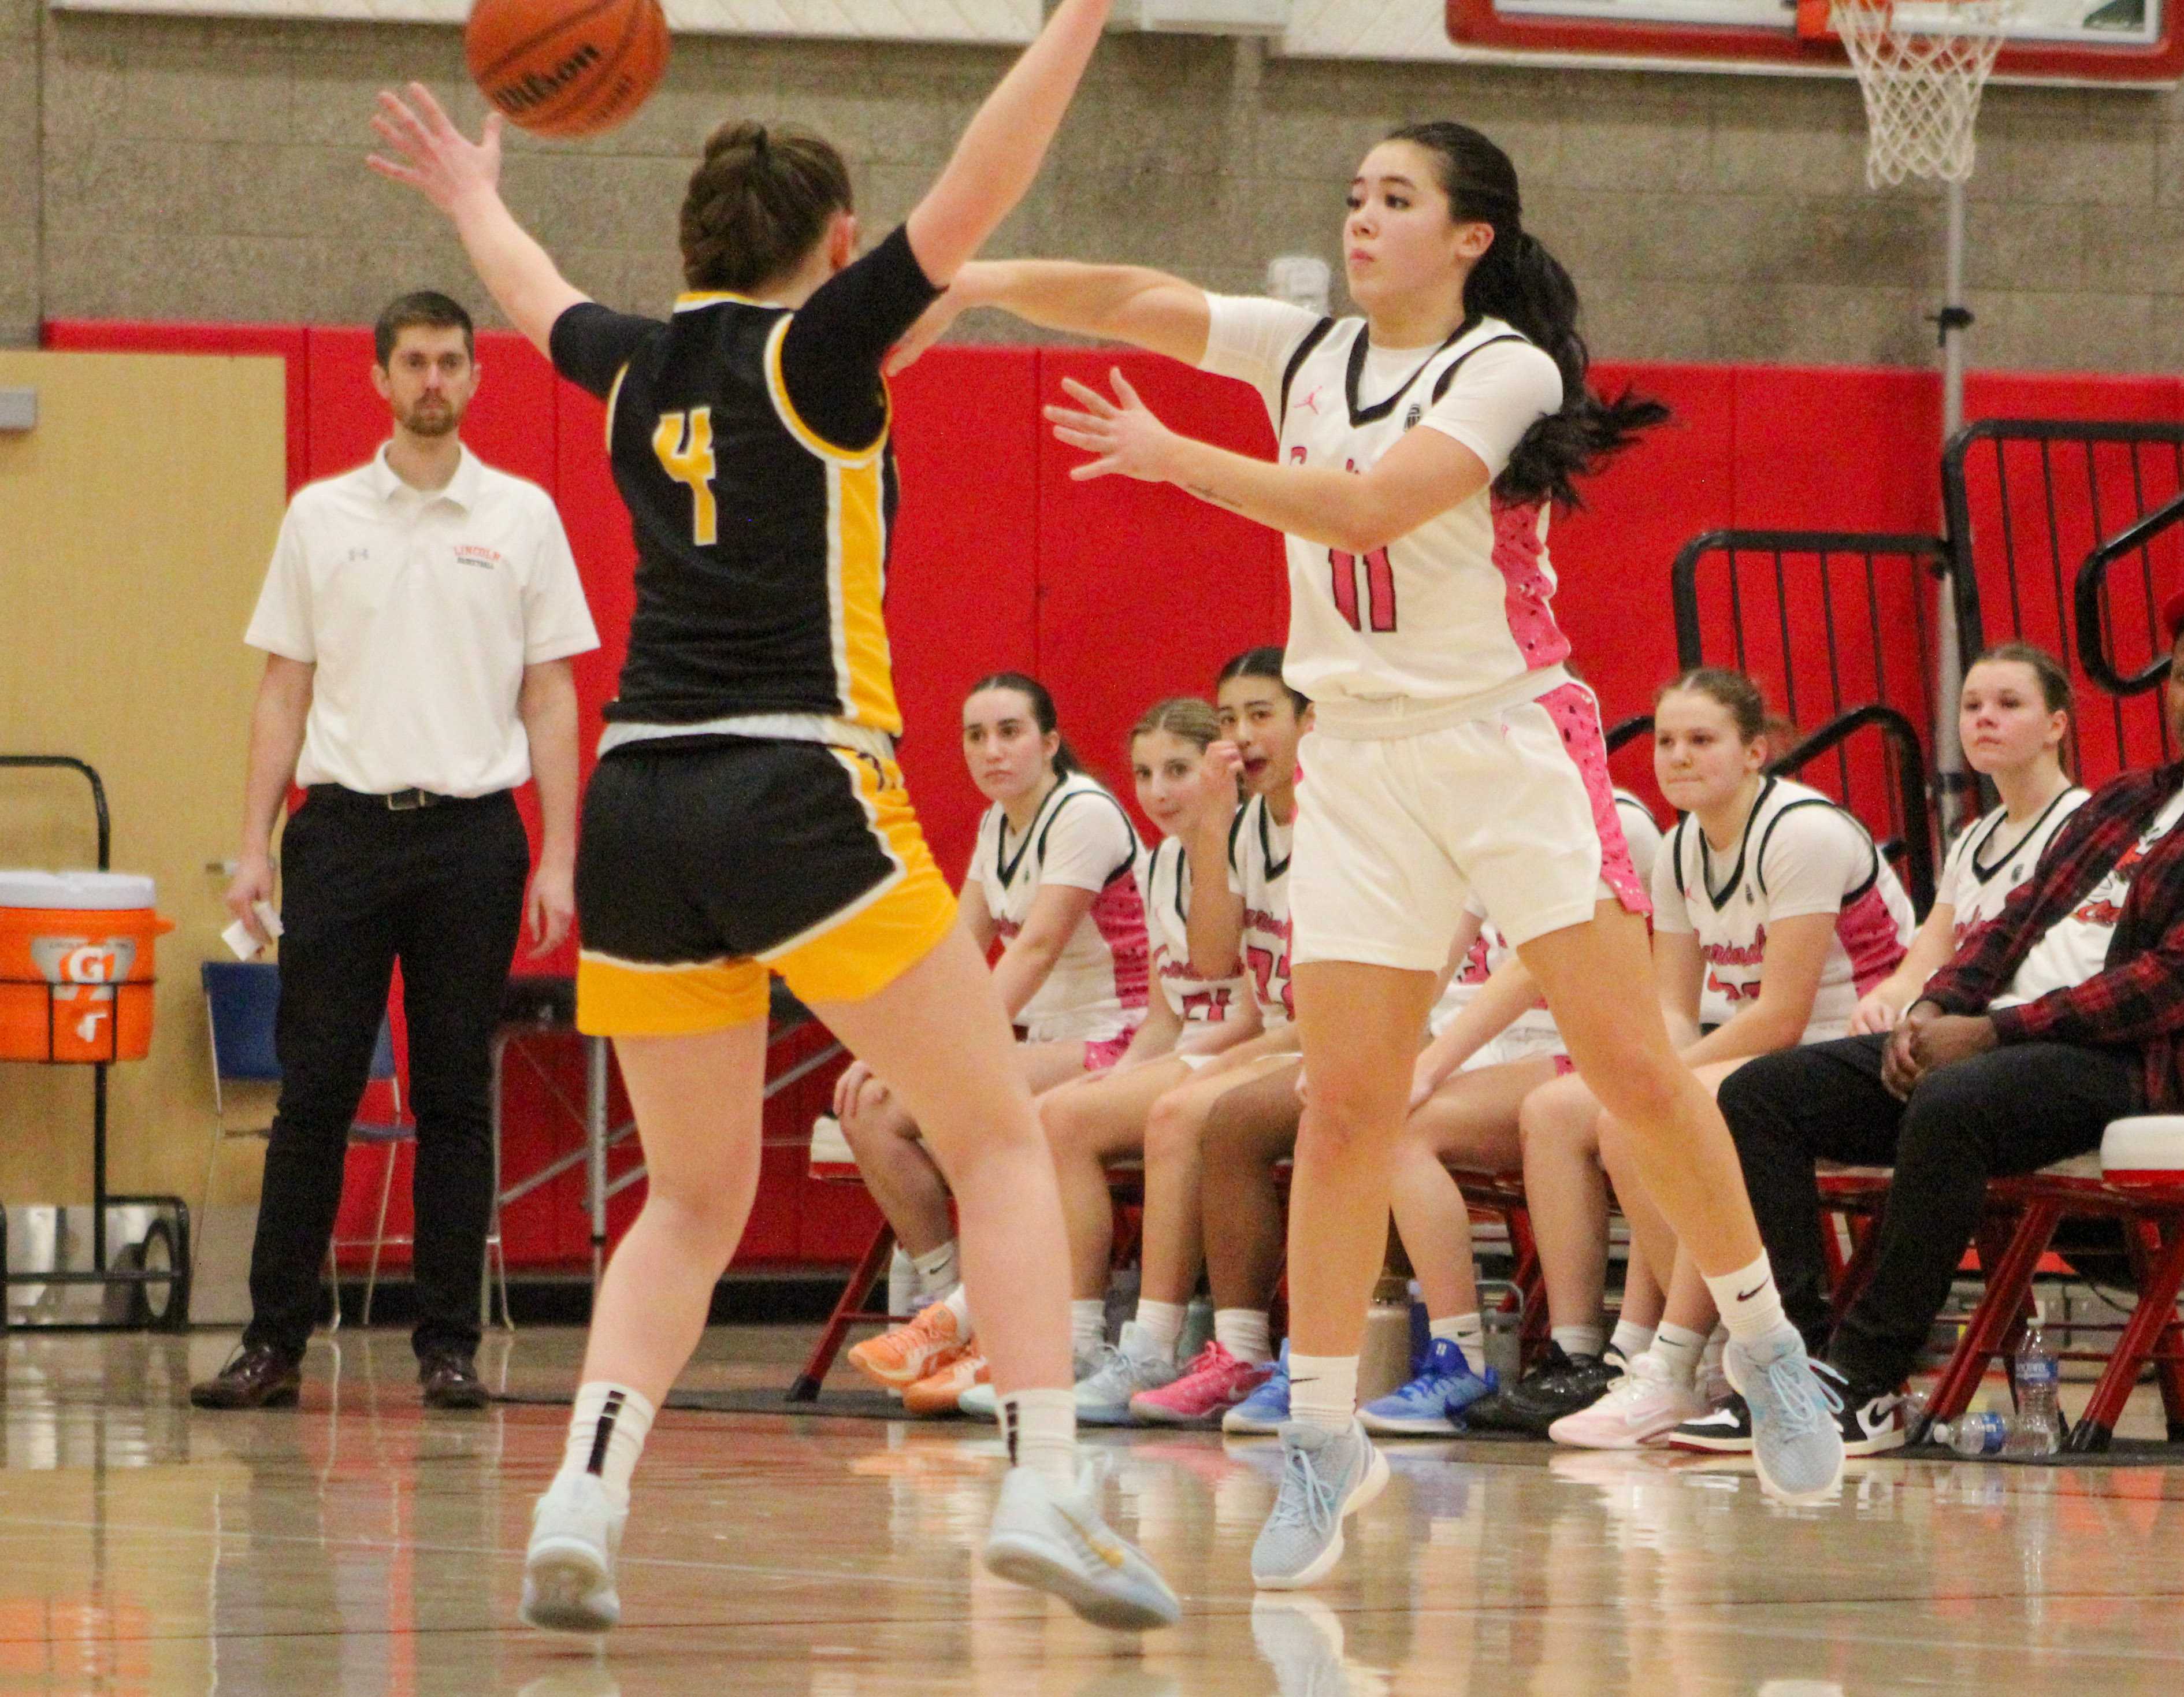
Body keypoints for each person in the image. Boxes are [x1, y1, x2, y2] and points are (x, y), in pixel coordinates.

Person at [901, 121, 1854, 1579]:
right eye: (1354, 196)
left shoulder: (1501, 367)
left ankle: (1770, 1342)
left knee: (1634, 1068)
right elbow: (1140, 298)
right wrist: (967, 277)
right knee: (1347, 1108)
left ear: (1470, 235)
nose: (1362, 218)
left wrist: (1174, 460)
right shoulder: (1305, 351)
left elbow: (1371, 505)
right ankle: (1322, 1441)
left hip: (1504, 740)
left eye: (1396, 200)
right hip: (1359, 760)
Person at [365, 0, 1179, 1635]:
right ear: (837, 241)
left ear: (689, 244)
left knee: (688, 1197)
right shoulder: (822, 352)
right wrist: (1079, 15)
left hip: (639, 798)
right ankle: (1042, 1484)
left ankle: (581, 1502)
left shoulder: (630, 364)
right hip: (795, 778)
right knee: (1002, 1138)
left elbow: (533, 296)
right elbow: (983, 177)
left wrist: (469, 196)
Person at [191, 291, 597, 1416]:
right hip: (343, 831)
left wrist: (558, 853)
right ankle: (274, 1341)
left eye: (450, 362)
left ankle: (449, 1347)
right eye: (413, 361)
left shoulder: (521, 517)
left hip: (473, 834)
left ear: (475, 377)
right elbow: (284, 688)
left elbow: (552, 692)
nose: (432, 379)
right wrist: (251, 844)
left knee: (457, 1090)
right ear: (379, 376)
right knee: (315, 1088)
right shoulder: (323, 518)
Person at [1692, 626, 2167, 1458]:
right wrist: (1934, 1005)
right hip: (1993, 1039)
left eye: (2008, 702)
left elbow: (2162, 985)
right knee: (1761, 1094)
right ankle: (1789, 1362)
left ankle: (1865, 1378)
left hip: (2120, 1063)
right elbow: (2010, 925)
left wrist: (1989, 1030)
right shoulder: (2129, 801)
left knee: (1953, 1101)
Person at [1524, 669, 1914, 1450]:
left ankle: (1670, 1358)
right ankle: (1615, 1352)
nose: (1678, 755)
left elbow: (1782, 1014)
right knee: (1560, 1109)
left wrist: (1661, 1083)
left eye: (1702, 740)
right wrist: (1649, 1073)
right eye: (1666, 740)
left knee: (1658, 1112)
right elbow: (1671, 1005)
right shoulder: (1677, 850)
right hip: (1762, 1061)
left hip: (1854, 1056)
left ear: (1755, 752)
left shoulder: (1802, 832)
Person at [839, 672, 1149, 1413]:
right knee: (871, 1109)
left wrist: (939, 1056)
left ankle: (982, 1317)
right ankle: (952, 1305)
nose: (991, 749)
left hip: (1125, 1037)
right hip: (1047, 1042)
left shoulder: (1082, 812)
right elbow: (957, 948)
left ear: (1048, 742)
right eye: (975, 735)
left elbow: (1035, 948)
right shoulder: (996, 825)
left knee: (954, 1093)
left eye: (1009, 732)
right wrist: (890, 1044)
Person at [955, 693, 1263, 1423]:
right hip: (1186, 1048)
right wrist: (1119, 1076)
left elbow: (1254, 1008)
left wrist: (1160, 1072)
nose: (1158, 791)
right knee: (1062, 1112)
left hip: (1247, 1050)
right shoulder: (1160, 868)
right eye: (1146, 773)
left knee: (1123, 1115)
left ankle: (1139, 1342)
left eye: (1179, 771)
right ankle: (1073, 1340)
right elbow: (1164, 1018)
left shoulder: (1253, 851)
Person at [1358, 787, 1663, 1438]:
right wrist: (1370, 1051)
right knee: (1388, 1123)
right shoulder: (1496, 817)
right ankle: (1468, 1356)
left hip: (1596, 1047)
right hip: (1519, 1056)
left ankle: (1541, 1353)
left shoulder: (1615, 824)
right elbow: (1436, 959)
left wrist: (1430, 1065)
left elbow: (1534, 968)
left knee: (1436, 1123)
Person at [1089, 651, 1313, 1428]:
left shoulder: (1334, 821)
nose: (1243, 735)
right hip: (1279, 1033)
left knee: (1188, 1113)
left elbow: (1302, 1013)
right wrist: (1216, 830)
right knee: (1065, 1116)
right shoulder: (1242, 829)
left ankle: (1171, 1343)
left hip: (1339, 1039)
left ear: (1307, 723)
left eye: (1262, 715)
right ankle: (1081, 1339)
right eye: (1230, 719)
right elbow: (1216, 960)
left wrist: (1205, 1066)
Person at [1849, 643, 2085, 1034]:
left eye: (2009, 704)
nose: (1985, 718)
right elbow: (1920, 968)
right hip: (1944, 1028)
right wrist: (1881, 1002)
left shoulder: (2081, 824)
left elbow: (2057, 976)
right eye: (1972, 706)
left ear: (2055, 726)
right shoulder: (1973, 837)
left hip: (2009, 1038)